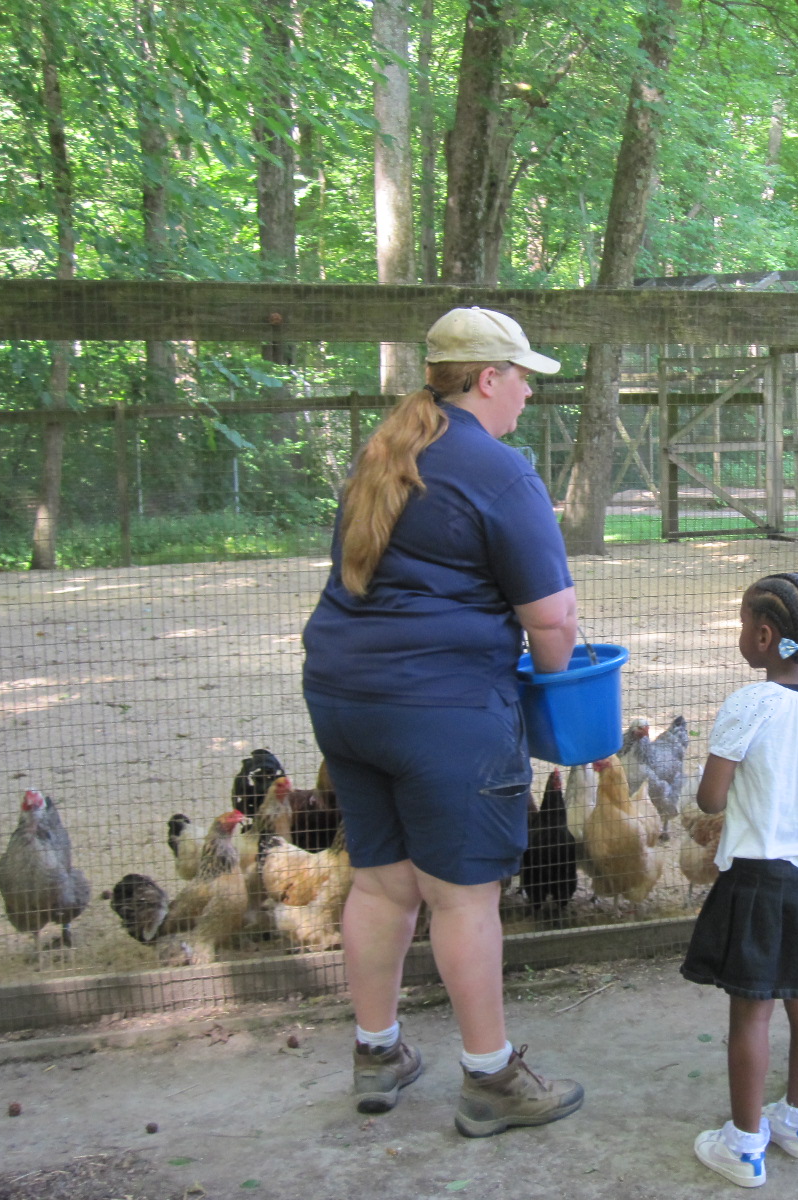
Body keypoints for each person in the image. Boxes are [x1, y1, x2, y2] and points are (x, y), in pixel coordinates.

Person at [301, 307, 585, 1135]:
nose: (530, 392)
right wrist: (559, 672)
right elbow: (554, 625)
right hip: (441, 709)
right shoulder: (500, 471)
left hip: (343, 698)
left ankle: (377, 1053)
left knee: (384, 883)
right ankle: (491, 1077)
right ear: (488, 379)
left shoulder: (383, 451)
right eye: (523, 376)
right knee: (465, 899)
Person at [682, 572, 798, 1187]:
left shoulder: (749, 704)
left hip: (759, 879)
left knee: (750, 1017)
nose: (739, 634)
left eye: (740, 624)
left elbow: (709, 798)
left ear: (764, 635)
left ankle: (744, 1143)